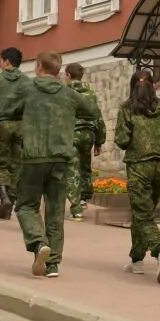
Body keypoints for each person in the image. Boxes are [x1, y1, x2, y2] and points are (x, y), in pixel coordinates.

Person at [15, 52, 82, 278]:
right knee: (55, 211)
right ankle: (53, 263)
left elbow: (9, 110)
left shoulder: (27, 89)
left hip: (33, 156)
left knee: (26, 205)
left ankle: (38, 242)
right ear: (59, 71)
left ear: (37, 66)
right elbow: (91, 111)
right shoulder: (69, 93)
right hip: (60, 157)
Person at [113, 69, 160, 280]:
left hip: (139, 166)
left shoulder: (127, 109)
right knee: (143, 213)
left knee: (142, 214)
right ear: (153, 86)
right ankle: (136, 259)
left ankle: (159, 251)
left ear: (133, 86)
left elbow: (122, 140)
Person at [0, 48, 33, 222]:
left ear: (7, 62)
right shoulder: (28, 82)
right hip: (22, 127)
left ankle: (4, 197)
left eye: (1, 60)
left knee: (0, 165)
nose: (0, 64)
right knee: (18, 165)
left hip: (2, 126)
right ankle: (12, 199)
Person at [67, 62, 103, 219]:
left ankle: (76, 208)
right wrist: (99, 141)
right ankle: (83, 198)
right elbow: (98, 117)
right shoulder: (91, 94)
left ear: (68, 75)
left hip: (71, 135)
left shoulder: (66, 92)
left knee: (73, 170)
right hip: (88, 135)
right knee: (85, 166)